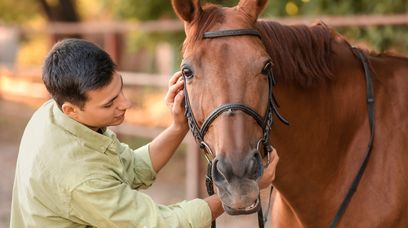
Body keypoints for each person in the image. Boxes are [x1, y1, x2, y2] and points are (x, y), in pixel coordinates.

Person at [10, 39, 279, 227]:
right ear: (71, 109)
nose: (125, 103)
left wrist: (178, 127)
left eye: (120, 90)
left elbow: (130, 168)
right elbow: (161, 224)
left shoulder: (53, 115)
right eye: (109, 103)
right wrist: (241, 189)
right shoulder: (78, 178)